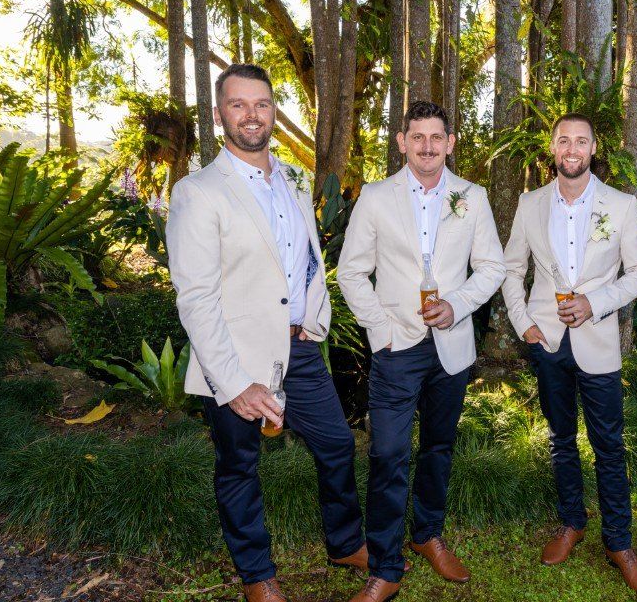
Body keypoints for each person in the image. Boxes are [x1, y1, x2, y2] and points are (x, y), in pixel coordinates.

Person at [167, 64, 370, 602]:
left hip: (299, 349)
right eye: (238, 105)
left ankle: (345, 542)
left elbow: (306, 257)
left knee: (336, 443)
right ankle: (257, 576)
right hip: (234, 355)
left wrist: (315, 321)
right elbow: (196, 298)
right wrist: (232, 384)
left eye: (261, 103)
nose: (251, 114)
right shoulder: (198, 192)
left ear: (274, 111)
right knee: (239, 467)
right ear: (218, 115)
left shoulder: (293, 179)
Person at [337, 100, 506, 602]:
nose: (427, 146)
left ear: (450, 143)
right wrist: (382, 328)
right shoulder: (375, 196)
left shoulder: (472, 197)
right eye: (418, 137)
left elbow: (492, 268)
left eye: (437, 138)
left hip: (451, 349)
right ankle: (386, 565)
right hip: (397, 348)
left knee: (438, 447)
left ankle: (428, 534)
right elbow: (351, 272)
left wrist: (458, 305)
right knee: (388, 453)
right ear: (402, 141)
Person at [501, 113, 637, 598]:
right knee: (561, 438)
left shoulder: (621, 204)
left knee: (609, 445)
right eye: (563, 140)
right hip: (546, 341)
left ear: (594, 148)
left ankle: (620, 544)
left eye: (581, 141)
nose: (572, 148)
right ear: (553, 148)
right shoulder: (530, 204)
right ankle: (572, 523)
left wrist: (597, 302)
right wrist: (523, 322)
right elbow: (511, 269)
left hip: (598, 342)